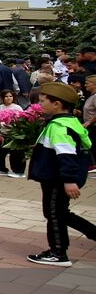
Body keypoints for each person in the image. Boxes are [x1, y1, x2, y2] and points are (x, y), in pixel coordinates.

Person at [25, 82, 95, 266]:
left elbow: (66, 156)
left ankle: (58, 252)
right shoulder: (69, 122)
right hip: (56, 177)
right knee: (60, 213)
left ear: (57, 104)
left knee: (54, 214)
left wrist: (69, 180)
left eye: (42, 101)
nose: (40, 105)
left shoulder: (59, 127)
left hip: (57, 179)